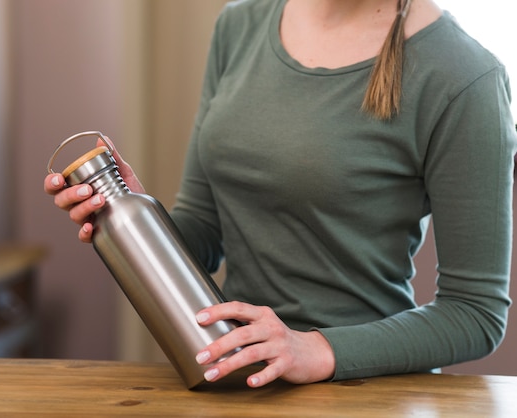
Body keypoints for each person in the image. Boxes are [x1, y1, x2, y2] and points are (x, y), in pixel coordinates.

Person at [44, 0, 517, 388]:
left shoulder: (465, 76)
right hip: (241, 379)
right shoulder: (240, 26)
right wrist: (133, 218)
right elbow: (204, 232)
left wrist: (316, 349)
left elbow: (474, 314)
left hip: (369, 390)